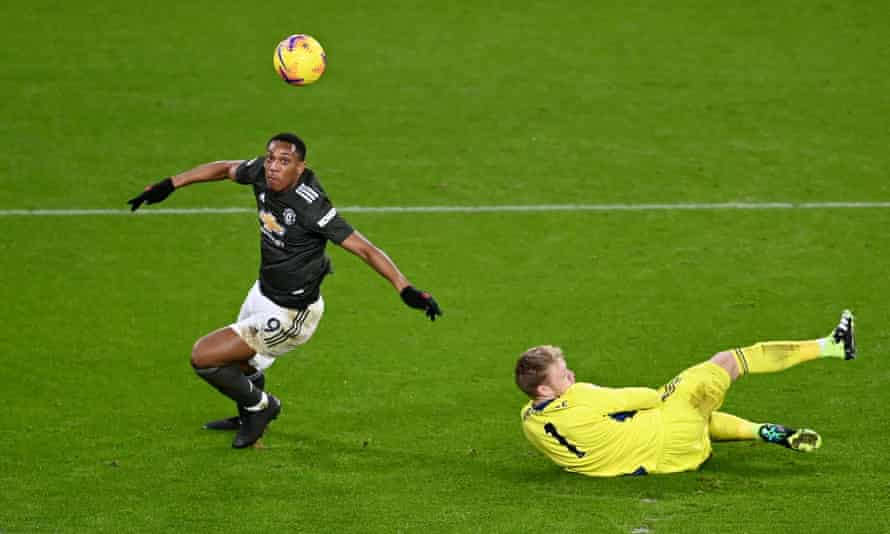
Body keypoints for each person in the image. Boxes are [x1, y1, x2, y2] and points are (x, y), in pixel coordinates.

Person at [128, 132, 442, 449]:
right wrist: (171, 184)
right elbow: (224, 168)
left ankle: (261, 407)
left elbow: (365, 249)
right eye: (271, 158)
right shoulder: (261, 173)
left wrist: (406, 289)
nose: (273, 167)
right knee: (237, 362)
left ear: (300, 167)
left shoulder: (311, 206)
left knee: (205, 357)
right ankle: (249, 413)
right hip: (262, 291)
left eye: (284, 161)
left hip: (292, 313)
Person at [515, 311, 856, 477]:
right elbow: (651, 397)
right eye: (563, 374)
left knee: (689, 413)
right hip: (674, 435)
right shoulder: (583, 396)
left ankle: (761, 431)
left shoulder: (528, 420)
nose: (571, 375)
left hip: (662, 463)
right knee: (724, 362)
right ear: (544, 388)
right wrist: (679, 387)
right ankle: (832, 346)